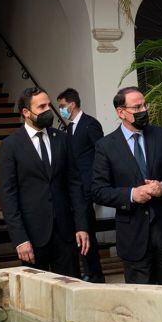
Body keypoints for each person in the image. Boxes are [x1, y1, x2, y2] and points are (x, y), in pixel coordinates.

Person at [92, 86, 162, 286]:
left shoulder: (161, 136)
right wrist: (131, 194)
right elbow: (99, 190)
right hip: (134, 236)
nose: (143, 110)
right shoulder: (106, 146)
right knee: (143, 302)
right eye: (137, 108)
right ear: (121, 112)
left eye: (145, 105)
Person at [0, 87, 89, 276]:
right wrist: (20, 239)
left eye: (49, 104)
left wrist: (81, 225)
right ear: (26, 113)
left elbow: (74, 184)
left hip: (65, 234)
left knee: (69, 290)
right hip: (32, 236)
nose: (48, 110)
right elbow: (8, 195)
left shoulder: (62, 139)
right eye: (42, 106)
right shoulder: (10, 145)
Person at [57, 87, 106, 282]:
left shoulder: (90, 124)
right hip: (75, 188)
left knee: (87, 231)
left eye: (62, 106)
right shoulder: (68, 128)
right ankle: (88, 270)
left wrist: (96, 181)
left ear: (72, 104)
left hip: (87, 186)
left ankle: (94, 274)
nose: (61, 109)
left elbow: (100, 153)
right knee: (80, 230)